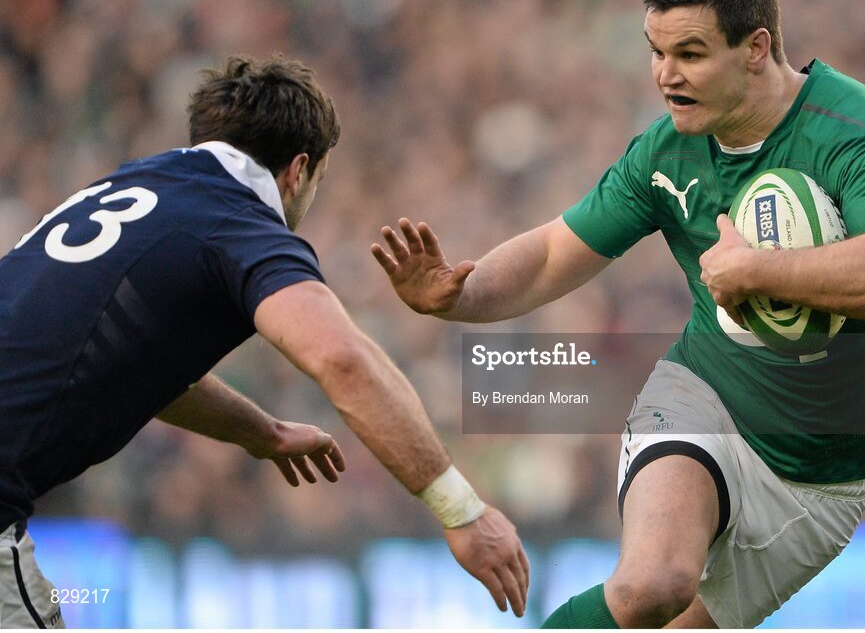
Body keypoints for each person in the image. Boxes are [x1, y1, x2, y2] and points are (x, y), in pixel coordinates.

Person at [371, 0, 865, 629]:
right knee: (652, 584)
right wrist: (459, 295)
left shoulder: (856, 132)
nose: (665, 76)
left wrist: (760, 270)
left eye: (691, 55)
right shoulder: (666, 150)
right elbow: (557, 250)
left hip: (822, 483)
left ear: (756, 48)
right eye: (655, 51)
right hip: (705, 399)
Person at [0, 55, 528, 629]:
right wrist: (462, 512)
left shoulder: (131, 183)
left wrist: (261, 433)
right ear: (298, 171)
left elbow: (143, 363)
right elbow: (342, 359)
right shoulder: (239, 224)